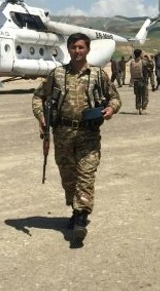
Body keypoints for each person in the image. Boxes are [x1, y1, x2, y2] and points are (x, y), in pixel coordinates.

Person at [31, 33, 121, 246]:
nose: (77, 51)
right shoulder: (57, 74)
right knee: (68, 178)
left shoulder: (98, 75)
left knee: (86, 175)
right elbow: (38, 97)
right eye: (73, 47)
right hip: (62, 134)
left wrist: (110, 109)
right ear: (69, 49)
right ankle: (75, 209)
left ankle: (81, 216)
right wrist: (41, 116)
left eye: (81, 47)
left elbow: (115, 98)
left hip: (88, 135)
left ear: (87, 49)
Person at [129, 48, 149, 115]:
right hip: (143, 80)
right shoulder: (143, 62)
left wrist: (131, 81)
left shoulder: (132, 62)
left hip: (135, 81)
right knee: (144, 95)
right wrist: (148, 58)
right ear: (140, 54)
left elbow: (131, 72)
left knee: (137, 95)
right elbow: (151, 65)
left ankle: (138, 109)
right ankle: (143, 109)